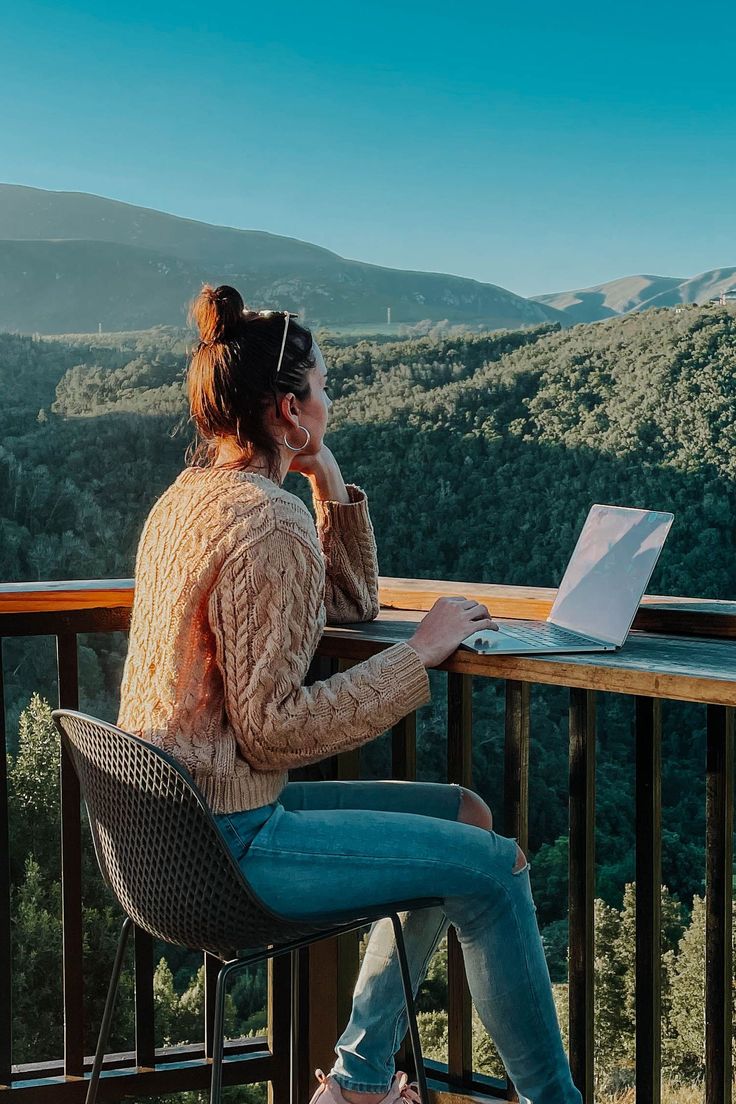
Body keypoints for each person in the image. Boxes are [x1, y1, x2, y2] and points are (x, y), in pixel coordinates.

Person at [118, 284, 582, 1104]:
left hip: (158, 840)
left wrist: (328, 481)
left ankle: (359, 1080)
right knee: (496, 870)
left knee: (464, 815)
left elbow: (349, 605)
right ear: (285, 410)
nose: (331, 402)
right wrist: (422, 654)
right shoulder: (267, 522)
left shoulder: (186, 499)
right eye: (323, 390)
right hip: (232, 847)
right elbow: (271, 733)